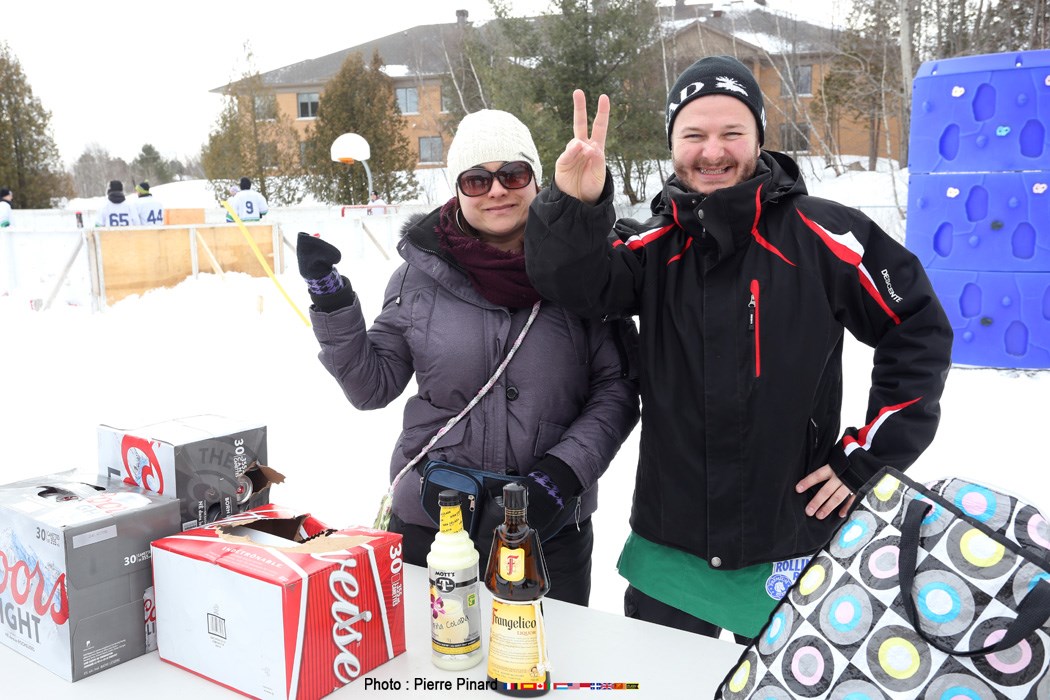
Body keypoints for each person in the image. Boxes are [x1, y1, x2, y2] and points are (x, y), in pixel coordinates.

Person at [524, 56, 953, 639]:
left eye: (732, 132)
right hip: (671, 545)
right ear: (672, 144)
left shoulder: (827, 235)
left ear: (758, 137)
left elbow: (917, 327)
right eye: (693, 135)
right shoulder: (651, 246)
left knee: (785, 678)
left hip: (791, 537)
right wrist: (574, 204)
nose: (713, 151)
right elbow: (573, 283)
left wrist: (867, 457)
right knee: (664, 680)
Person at [296, 109, 640, 606]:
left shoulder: (584, 271)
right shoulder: (417, 278)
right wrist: (331, 298)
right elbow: (371, 387)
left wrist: (560, 476)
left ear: (536, 180)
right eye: (476, 180)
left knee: (543, 653)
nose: (496, 190)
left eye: (513, 174)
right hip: (433, 522)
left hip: (548, 525)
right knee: (431, 653)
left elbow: (617, 389)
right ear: (457, 190)